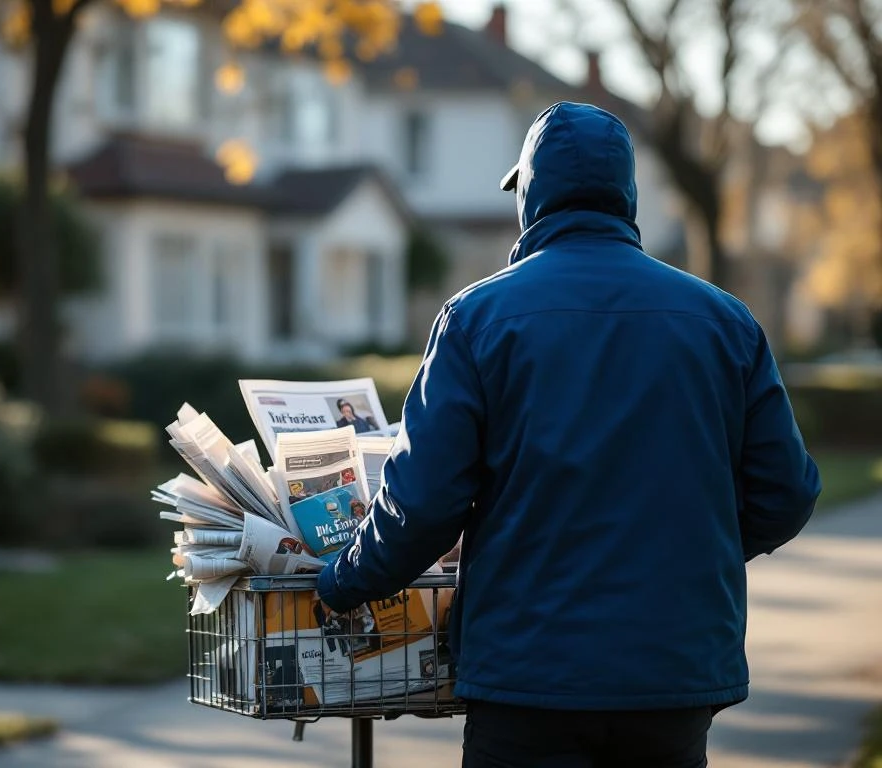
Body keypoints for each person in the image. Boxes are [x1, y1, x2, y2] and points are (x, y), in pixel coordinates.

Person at [316, 102, 821, 768]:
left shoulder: (477, 319)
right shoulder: (725, 322)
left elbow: (425, 500)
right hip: (673, 671)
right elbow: (785, 494)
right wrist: (694, 548)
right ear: (627, 194)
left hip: (530, 676)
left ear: (532, 193)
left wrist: (343, 581)